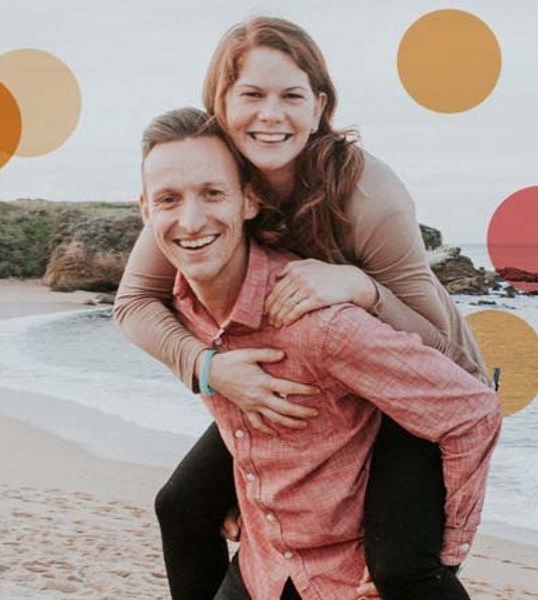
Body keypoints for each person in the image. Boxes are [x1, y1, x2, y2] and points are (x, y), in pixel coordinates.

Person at [113, 17, 497, 600]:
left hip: (417, 379)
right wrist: (210, 368)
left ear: (320, 106)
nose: (271, 115)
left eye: (291, 96)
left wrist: (361, 288)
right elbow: (135, 303)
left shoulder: (368, 195)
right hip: (317, 374)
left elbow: (438, 350)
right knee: (184, 506)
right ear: (220, 100)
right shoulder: (204, 184)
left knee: (400, 566)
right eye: (251, 95)